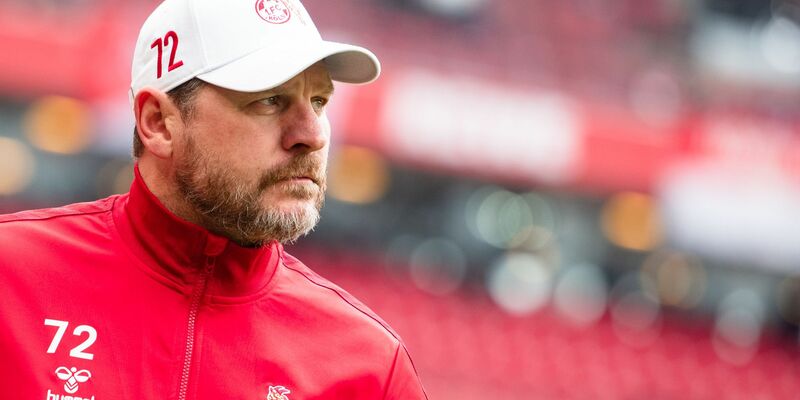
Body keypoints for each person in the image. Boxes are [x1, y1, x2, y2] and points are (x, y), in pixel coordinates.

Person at [0, 0, 427, 399]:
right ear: (159, 123)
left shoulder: (371, 368)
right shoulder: (10, 279)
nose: (312, 134)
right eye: (269, 100)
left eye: (318, 101)